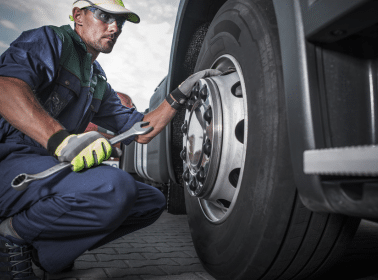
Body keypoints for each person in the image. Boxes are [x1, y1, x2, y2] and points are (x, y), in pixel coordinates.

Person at [0, 0, 221, 279]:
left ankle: (47, 254)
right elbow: (5, 88)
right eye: (104, 16)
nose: (115, 27)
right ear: (78, 16)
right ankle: (10, 235)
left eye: (121, 22)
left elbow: (141, 130)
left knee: (148, 202)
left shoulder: (98, 81)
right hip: (10, 164)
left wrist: (179, 94)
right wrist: (62, 141)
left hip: (47, 169)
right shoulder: (49, 40)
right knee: (113, 187)